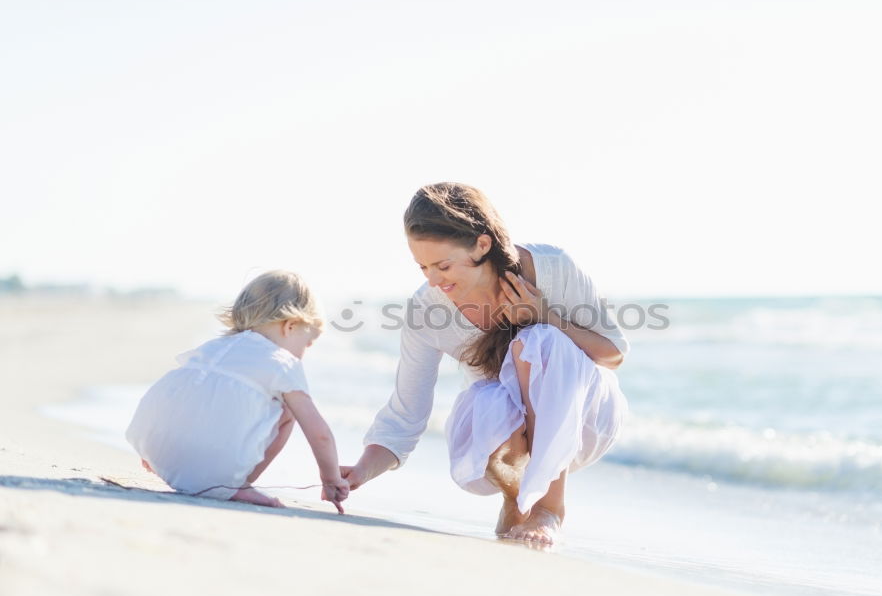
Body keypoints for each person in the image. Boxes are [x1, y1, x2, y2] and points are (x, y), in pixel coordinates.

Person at [342, 183, 628, 544]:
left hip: (583, 418)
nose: (433, 280)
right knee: (487, 396)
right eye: (423, 267)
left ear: (482, 244)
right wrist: (360, 472)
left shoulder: (552, 267)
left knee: (536, 342)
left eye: (443, 265)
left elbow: (613, 354)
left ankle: (548, 509)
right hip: (500, 442)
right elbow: (406, 413)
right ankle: (516, 499)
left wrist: (545, 316)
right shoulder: (428, 310)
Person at [126, 270, 350, 511]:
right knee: (288, 413)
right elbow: (320, 434)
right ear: (291, 326)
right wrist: (330, 479)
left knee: (203, 393)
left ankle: (174, 459)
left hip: (157, 452)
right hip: (215, 471)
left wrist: (157, 450)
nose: (304, 352)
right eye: (308, 343)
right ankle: (237, 485)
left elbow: (185, 396)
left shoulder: (214, 347)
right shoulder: (283, 362)